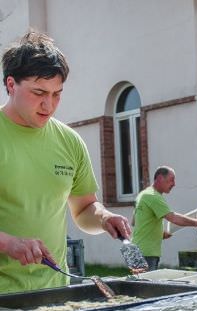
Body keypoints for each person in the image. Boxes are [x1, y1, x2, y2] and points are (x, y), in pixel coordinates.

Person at [0, 31, 131, 294]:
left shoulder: (69, 141)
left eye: (57, 94)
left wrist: (104, 217)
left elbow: (84, 209)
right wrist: (8, 243)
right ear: (11, 85)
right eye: (39, 92)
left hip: (52, 293)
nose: (49, 105)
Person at [132, 166, 197, 271]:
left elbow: (134, 222)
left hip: (138, 251)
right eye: (171, 180)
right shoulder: (153, 196)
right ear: (160, 178)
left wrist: (159, 233)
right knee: (146, 287)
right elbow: (173, 218)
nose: (174, 184)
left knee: (139, 286)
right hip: (146, 254)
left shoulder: (143, 194)